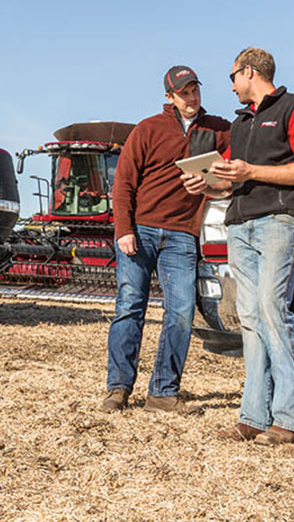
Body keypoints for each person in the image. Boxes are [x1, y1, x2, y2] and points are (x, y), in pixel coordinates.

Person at [183, 47, 294, 444]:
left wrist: (250, 170)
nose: (229, 86)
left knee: (272, 311)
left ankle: (288, 419)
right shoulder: (242, 124)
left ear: (250, 71)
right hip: (241, 227)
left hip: (280, 221)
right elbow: (230, 180)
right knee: (249, 317)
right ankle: (252, 417)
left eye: (233, 77)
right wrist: (207, 183)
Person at [102, 66, 230, 413]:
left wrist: (212, 184)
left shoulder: (218, 130)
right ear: (169, 97)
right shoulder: (148, 129)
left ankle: (162, 393)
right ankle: (118, 389)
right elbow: (124, 183)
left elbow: (237, 163)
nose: (192, 98)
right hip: (141, 229)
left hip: (182, 235)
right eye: (184, 92)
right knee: (130, 307)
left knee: (182, 313)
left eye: (195, 90)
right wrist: (124, 230)